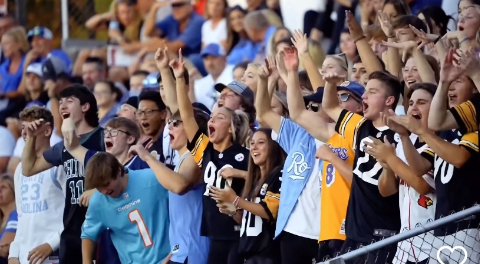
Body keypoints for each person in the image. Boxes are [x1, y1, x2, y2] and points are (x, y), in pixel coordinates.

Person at [174, 50, 250, 264]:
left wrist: (239, 173)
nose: (211, 121)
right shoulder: (205, 151)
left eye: (219, 118)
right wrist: (181, 79)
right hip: (214, 234)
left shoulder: (244, 155)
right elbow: (186, 114)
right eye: (212, 118)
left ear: (231, 128)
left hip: (239, 234)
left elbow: (262, 178)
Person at [322, 69, 402, 263]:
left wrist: (388, 163)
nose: (364, 96)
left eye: (372, 92)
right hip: (354, 234)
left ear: (389, 100)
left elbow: (390, 190)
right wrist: (330, 83)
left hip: (382, 236)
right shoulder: (360, 126)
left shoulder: (401, 136)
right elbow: (330, 106)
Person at [21, 84, 104, 264]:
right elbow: (28, 169)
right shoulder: (63, 146)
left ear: (85, 107)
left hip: (102, 227)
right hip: (71, 231)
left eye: (69, 101)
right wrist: (32, 137)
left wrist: (98, 190)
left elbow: (124, 173)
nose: (62, 106)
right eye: (60, 102)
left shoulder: (104, 138)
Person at [209, 128, 286, 264]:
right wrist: (232, 210)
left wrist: (235, 199)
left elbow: (269, 212)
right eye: (251, 143)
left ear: (273, 146)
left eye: (261, 143)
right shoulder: (254, 182)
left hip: (267, 255)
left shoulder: (278, 174)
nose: (254, 147)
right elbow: (248, 220)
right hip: (249, 254)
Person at [80, 153, 170, 263]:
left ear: (118, 171)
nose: (104, 192)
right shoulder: (98, 202)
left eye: (106, 184)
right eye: (99, 189)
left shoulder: (152, 179)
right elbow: (88, 234)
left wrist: (177, 252)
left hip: (167, 259)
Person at [9, 107, 65, 264]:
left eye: (31, 128)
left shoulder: (59, 165)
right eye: (23, 128)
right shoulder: (20, 169)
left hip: (53, 255)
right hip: (24, 257)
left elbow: (75, 215)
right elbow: (22, 215)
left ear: (47, 131)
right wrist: (14, 253)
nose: (25, 134)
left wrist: (51, 244)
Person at [0, 175, 16, 263]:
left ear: (14, 192)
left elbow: (4, 250)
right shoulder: (2, 219)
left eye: (4, 187)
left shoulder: (16, 215)